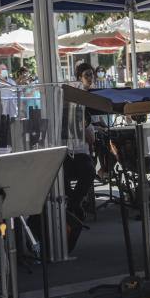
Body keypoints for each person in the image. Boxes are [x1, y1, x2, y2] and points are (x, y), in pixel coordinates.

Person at [64, 63, 97, 220]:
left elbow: (90, 132)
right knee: (63, 175)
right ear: (79, 78)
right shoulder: (76, 99)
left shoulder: (93, 96)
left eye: (92, 74)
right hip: (71, 149)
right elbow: (89, 136)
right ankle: (73, 204)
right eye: (87, 75)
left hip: (80, 150)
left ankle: (72, 204)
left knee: (88, 170)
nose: (91, 78)